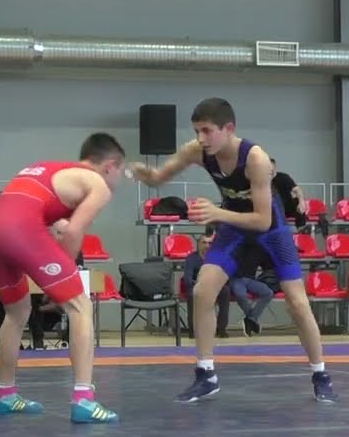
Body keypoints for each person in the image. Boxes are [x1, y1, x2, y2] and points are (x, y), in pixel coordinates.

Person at [130, 97, 337, 404]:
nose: (201, 138)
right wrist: (141, 172)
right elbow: (160, 177)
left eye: (207, 131)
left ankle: (321, 375)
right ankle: (206, 375)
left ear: (228, 129)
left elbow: (263, 219)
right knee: (203, 290)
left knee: (296, 302)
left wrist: (217, 213)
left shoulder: (256, 159)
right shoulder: (197, 150)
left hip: (271, 230)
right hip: (233, 226)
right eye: (197, 131)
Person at [0, 132, 127, 424]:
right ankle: (84, 400)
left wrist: (56, 279)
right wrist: (62, 280)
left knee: (16, 313)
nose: (119, 179)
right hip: (19, 230)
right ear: (110, 165)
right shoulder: (97, 184)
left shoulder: (48, 167)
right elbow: (72, 231)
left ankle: (5, 395)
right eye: (122, 171)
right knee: (80, 306)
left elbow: (41, 214)